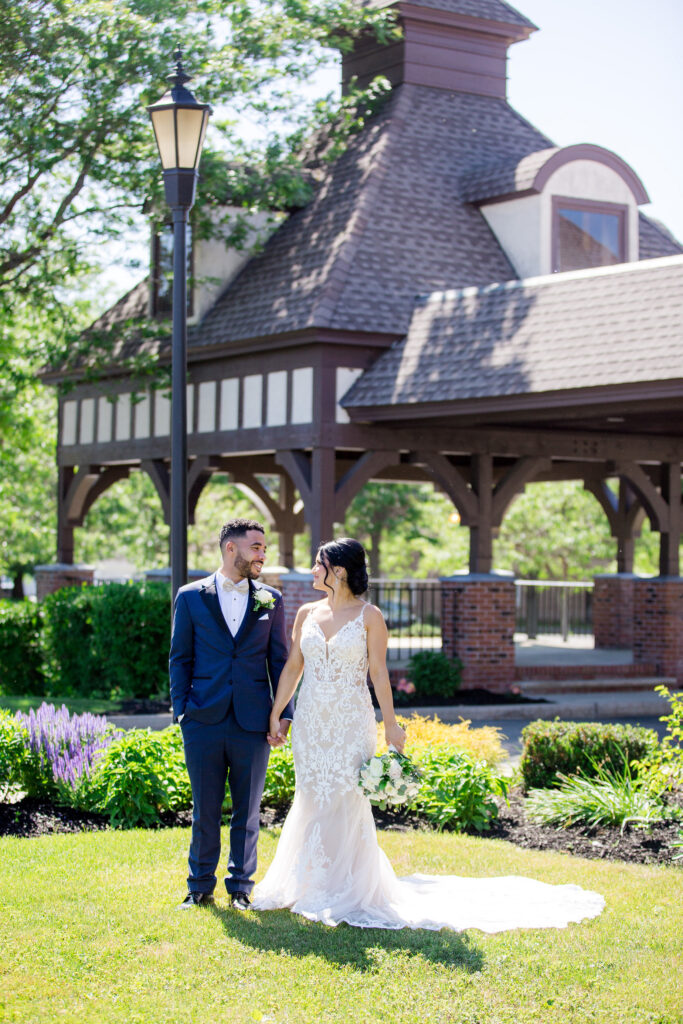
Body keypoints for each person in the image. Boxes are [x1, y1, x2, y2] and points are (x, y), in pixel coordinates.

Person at [251, 538, 605, 933]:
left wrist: (390, 725)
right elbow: (292, 668)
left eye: (319, 564)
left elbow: (380, 675)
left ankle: (342, 887)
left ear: (340, 570)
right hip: (314, 723)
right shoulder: (305, 613)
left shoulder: (370, 617)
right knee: (313, 795)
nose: (313, 570)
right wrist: (277, 712)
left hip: (351, 723)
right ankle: (306, 882)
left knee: (345, 798)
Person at [169, 518, 294, 911]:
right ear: (230, 549)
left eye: (264, 548)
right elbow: (180, 658)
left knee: (248, 808)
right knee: (204, 807)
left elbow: (281, 661)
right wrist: (181, 712)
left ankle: (240, 887)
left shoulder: (270, 599)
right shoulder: (190, 596)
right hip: (202, 718)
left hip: (253, 719)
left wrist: (283, 714)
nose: (262, 554)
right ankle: (199, 885)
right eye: (256, 547)